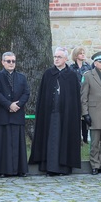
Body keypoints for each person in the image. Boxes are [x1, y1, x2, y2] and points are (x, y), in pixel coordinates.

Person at [29, 47, 82, 176]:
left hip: (66, 115)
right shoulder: (48, 74)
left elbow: (75, 98)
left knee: (64, 139)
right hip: (50, 114)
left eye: (59, 57)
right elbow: (42, 95)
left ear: (66, 59)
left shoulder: (71, 76)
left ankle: (64, 168)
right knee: (51, 139)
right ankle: (50, 167)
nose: (56, 59)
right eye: (55, 57)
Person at [0, 52, 30, 178]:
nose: (11, 63)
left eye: (13, 61)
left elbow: (26, 93)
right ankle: (0, 170)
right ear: (2, 62)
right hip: (2, 115)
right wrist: (9, 105)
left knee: (18, 144)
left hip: (17, 114)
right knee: (2, 144)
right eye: (8, 61)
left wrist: (18, 104)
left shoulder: (22, 77)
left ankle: (19, 170)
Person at [69, 47, 92, 144]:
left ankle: (85, 138)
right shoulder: (71, 68)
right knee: (76, 118)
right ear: (76, 55)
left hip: (85, 95)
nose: (83, 55)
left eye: (83, 53)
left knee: (85, 118)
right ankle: (77, 139)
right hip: (75, 95)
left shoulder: (88, 67)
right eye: (80, 53)